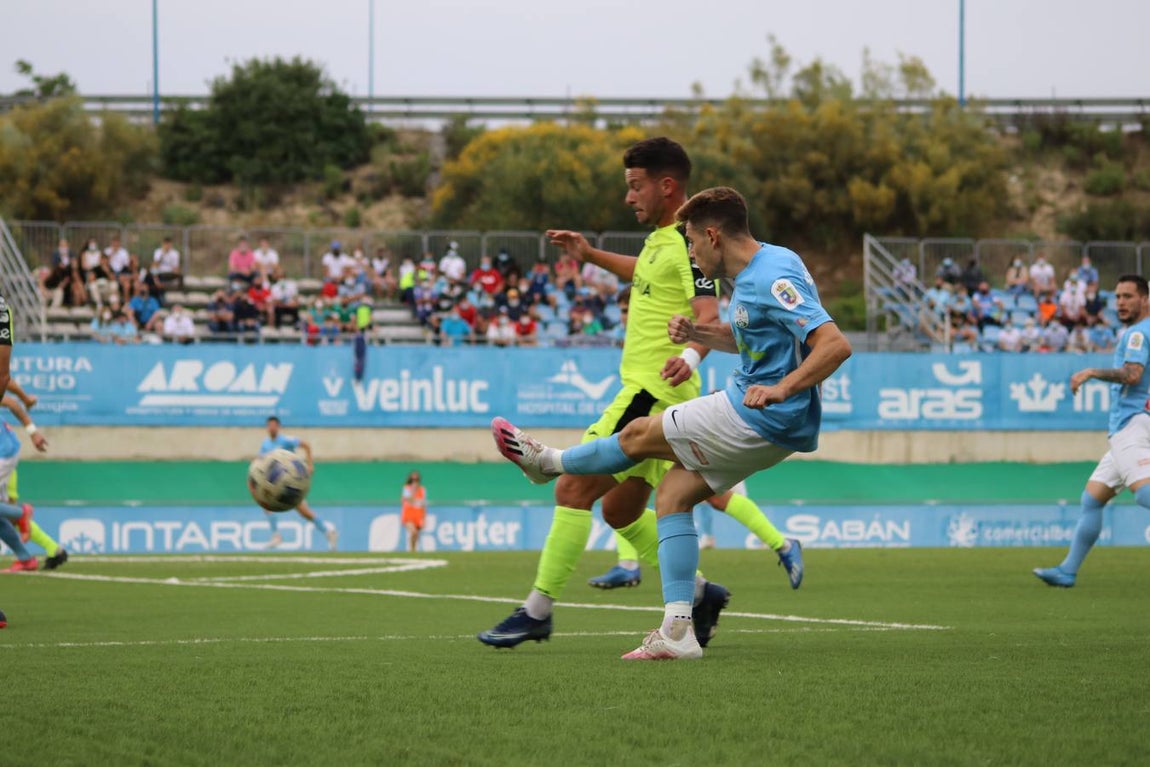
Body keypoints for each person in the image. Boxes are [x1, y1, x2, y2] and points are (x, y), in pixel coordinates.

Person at [491, 186, 851, 659]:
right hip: (773, 421)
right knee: (674, 496)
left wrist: (784, 387)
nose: (691, 251)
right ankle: (679, 631)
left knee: (638, 434)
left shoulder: (772, 275)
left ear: (712, 234)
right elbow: (754, 338)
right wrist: (698, 333)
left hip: (759, 411)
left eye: (692, 241)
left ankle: (550, 462)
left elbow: (834, 344)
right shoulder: (758, 273)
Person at [477, 137, 731, 651]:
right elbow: (644, 274)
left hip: (650, 394)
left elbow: (710, 316)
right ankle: (701, 594)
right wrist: (590, 254)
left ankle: (537, 611)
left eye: (636, 187)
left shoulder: (688, 244)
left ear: (667, 186)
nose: (628, 197)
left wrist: (690, 357)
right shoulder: (664, 241)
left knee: (570, 489)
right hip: (655, 396)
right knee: (618, 512)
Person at [1034, 275, 1150, 588]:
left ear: (1146, 299)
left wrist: (1091, 371)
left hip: (1132, 425)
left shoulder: (1138, 334)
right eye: (1118, 297)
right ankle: (1068, 571)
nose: (1121, 302)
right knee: (1092, 498)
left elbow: (1133, 374)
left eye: (1129, 296)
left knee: (1145, 493)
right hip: (1137, 424)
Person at [258, 417, 338, 551]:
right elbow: (262, 461)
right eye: (269, 425)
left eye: (273, 425)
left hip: (291, 482)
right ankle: (276, 536)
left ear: (278, 427)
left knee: (304, 512)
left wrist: (310, 464)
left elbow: (306, 445)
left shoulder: (286, 440)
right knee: (266, 504)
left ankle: (328, 532)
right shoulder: (265, 444)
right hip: (276, 483)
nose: (271, 428)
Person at [400, 471, 427, 552]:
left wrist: (424, 518)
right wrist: (413, 491)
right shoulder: (406, 488)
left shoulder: (422, 490)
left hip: (418, 515)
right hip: (409, 514)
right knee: (414, 532)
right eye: (413, 480)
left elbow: (423, 504)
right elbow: (408, 500)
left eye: (416, 480)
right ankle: (412, 550)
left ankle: (413, 550)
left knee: (416, 535)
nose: (415, 482)